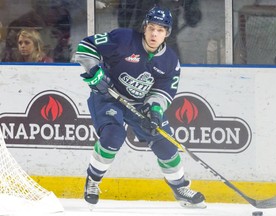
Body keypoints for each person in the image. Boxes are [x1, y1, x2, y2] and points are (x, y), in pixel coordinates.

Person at [74, 6, 206, 208]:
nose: (154, 33)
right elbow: (87, 46)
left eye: (160, 30)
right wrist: (94, 72)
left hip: (140, 105)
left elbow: (163, 92)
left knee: (166, 145)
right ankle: (93, 181)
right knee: (113, 135)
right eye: (151, 27)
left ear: (167, 34)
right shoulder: (123, 39)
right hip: (108, 96)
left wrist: (154, 111)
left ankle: (180, 188)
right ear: (144, 27)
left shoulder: (170, 61)